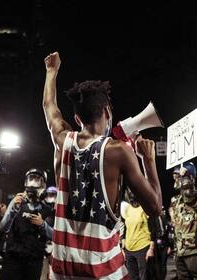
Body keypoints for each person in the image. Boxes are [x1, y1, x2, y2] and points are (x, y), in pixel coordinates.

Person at [42, 51, 162, 279]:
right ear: (107, 111)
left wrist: (51, 71)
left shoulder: (62, 140)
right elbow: (155, 207)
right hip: (104, 271)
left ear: (77, 119)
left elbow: (49, 106)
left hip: (63, 270)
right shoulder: (119, 151)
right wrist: (148, 160)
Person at [0, 168, 54, 280]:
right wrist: (13, 209)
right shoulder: (17, 202)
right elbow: (4, 227)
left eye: (37, 179)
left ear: (43, 184)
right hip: (13, 259)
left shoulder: (47, 210)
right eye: (31, 178)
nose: (33, 182)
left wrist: (42, 224)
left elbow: (55, 236)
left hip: (34, 261)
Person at [169, 162, 197, 279]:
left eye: (178, 177)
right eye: (175, 177)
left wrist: (185, 177)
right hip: (179, 249)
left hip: (193, 250)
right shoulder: (175, 200)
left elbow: (189, 195)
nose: (176, 180)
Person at [120, 189, 155, 280]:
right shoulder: (127, 209)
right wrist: (123, 248)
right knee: (132, 277)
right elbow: (125, 229)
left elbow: (153, 229)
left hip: (142, 247)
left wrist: (151, 248)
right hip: (129, 249)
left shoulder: (145, 209)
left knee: (144, 277)